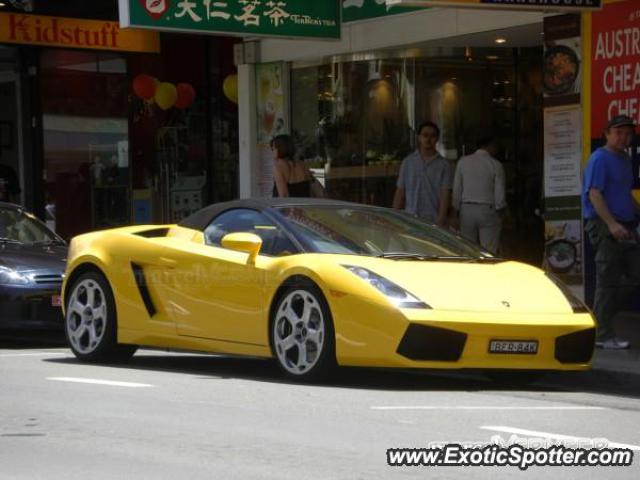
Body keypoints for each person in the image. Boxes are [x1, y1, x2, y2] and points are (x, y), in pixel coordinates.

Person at [583, 114, 640, 350]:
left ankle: (599, 319)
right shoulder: (599, 158)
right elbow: (594, 194)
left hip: (626, 223)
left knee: (634, 275)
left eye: (628, 134)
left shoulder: (625, 160)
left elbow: (624, 193)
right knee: (607, 280)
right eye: (618, 133)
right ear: (606, 134)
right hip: (605, 224)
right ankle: (602, 333)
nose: (623, 138)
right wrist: (611, 224)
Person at [451, 135, 506, 253]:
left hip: (466, 210)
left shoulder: (463, 162)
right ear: (490, 145)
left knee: (467, 248)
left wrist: (455, 212)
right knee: (489, 250)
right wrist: (502, 213)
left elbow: (457, 190)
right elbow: (499, 195)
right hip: (487, 210)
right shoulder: (496, 164)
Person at [392, 121, 452, 226]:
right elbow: (400, 191)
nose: (428, 139)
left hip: (433, 220)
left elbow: (445, 194)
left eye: (432, 136)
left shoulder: (443, 165)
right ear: (419, 137)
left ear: (437, 139)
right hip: (410, 218)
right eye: (425, 135)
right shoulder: (408, 162)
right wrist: (394, 217)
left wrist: (441, 218)